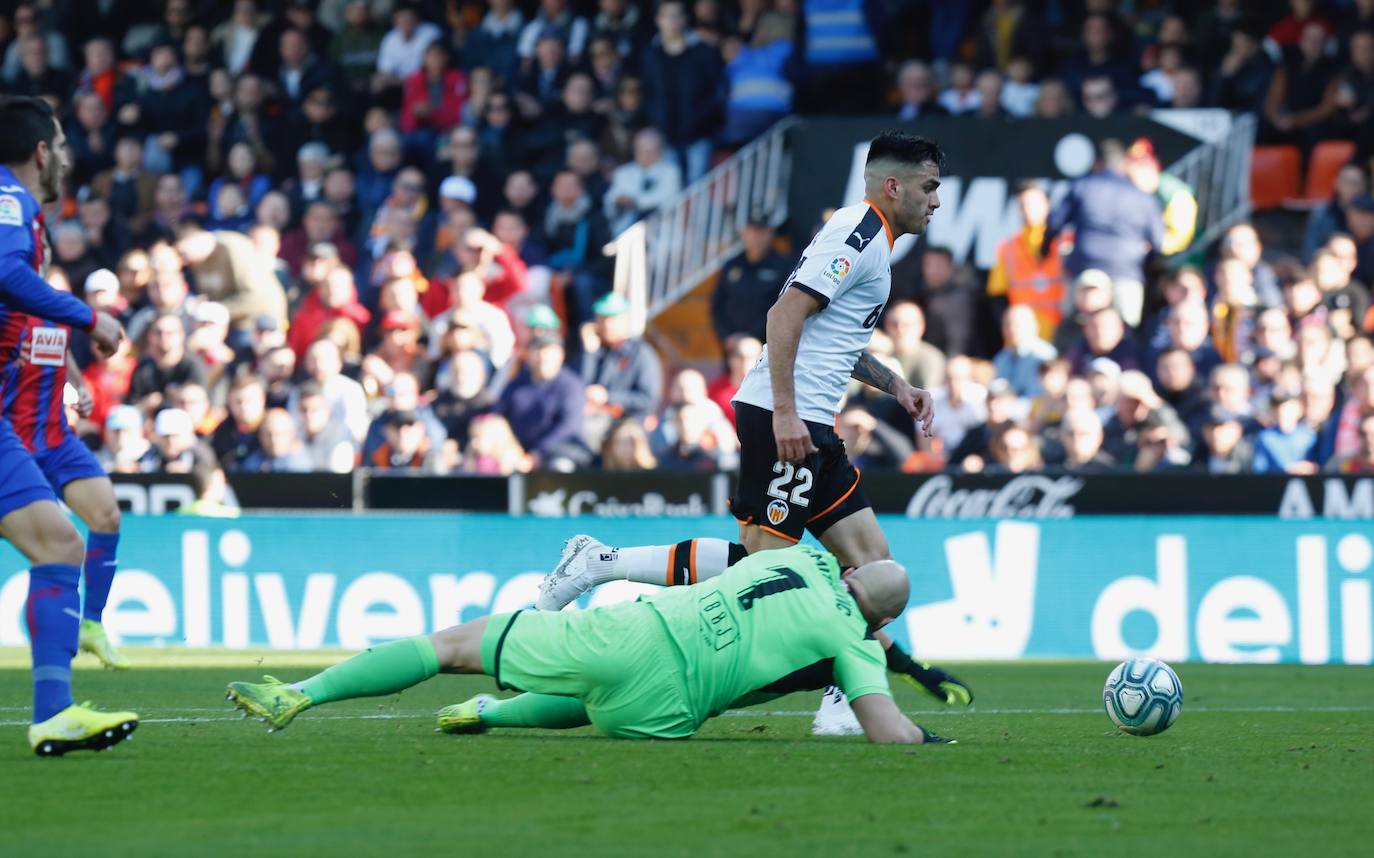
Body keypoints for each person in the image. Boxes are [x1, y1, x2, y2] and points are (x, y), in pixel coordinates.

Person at [536, 132, 971, 734]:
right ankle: (601, 563)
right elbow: (783, 314)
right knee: (766, 577)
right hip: (785, 419)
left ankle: (842, 705)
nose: (936, 201)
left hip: (811, 422)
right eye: (929, 187)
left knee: (873, 563)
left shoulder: (873, 242)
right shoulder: (860, 232)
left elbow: (833, 340)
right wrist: (788, 414)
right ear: (892, 186)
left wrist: (895, 384)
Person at [227, 543, 953, 745]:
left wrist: (618, 563)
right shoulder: (854, 644)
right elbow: (887, 731)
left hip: (634, 632)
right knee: (596, 704)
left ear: (851, 570)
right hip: (663, 718)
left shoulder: (790, 556)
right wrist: (924, 735)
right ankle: (496, 714)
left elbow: (708, 556)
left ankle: (298, 694)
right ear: (877, 620)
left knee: (450, 644)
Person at [0, 97, 137, 756]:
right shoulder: (8, 198)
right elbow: (5, 275)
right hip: (14, 424)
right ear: (43, 151)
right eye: (61, 144)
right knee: (60, 545)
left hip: (22, 423)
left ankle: (55, 712)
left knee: (63, 543)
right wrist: (90, 315)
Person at [1047, 139, 1164, 328]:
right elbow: (1158, 242)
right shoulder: (1141, 196)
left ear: (1096, 164)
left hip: (1083, 267)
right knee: (1126, 332)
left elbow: (1054, 223)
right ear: (1124, 165)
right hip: (1126, 271)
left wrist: (1045, 249)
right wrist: (1145, 265)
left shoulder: (1081, 186)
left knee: (1072, 329)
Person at [987, 181, 1066, 342]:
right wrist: (1012, 328)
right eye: (1022, 205)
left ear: (1047, 205)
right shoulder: (1007, 248)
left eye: (1033, 203)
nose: (1027, 209)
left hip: (1060, 337)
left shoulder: (1065, 243)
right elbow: (996, 297)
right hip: (1022, 340)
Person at [712, 219, 790, 345]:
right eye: (751, 231)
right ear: (744, 233)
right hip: (732, 344)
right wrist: (727, 335)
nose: (755, 237)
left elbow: (782, 305)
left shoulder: (782, 266)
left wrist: (752, 336)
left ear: (770, 234)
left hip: (765, 343)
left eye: (760, 232)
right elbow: (717, 305)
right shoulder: (732, 265)